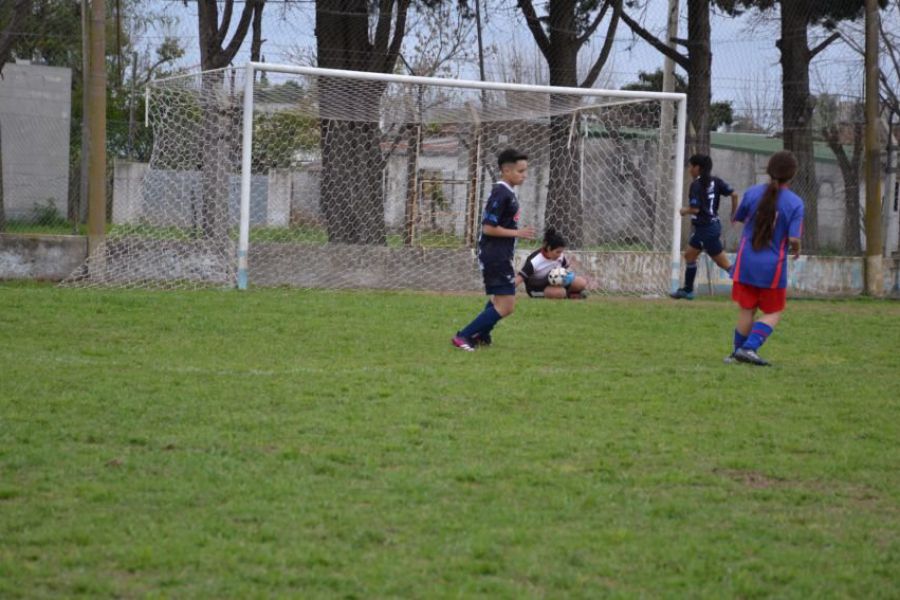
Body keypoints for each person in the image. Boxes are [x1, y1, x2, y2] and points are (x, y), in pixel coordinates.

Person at [451, 148, 535, 351]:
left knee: (498, 299)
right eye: (520, 171)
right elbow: (488, 228)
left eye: (525, 171)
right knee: (506, 305)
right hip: (494, 255)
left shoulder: (507, 192)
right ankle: (464, 336)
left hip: (500, 254)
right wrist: (518, 233)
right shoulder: (501, 193)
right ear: (506, 171)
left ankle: (481, 334)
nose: (524, 175)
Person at [727, 151, 804, 366]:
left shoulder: (752, 193)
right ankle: (749, 348)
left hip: (745, 262)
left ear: (769, 170)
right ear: (792, 175)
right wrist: (796, 248)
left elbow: (738, 218)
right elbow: (794, 237)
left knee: (746, 309)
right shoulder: (795, 203)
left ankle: (736, 353)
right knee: (773, 311)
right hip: (772, 268)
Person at [671, 154, 739, 300]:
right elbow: (734, 194)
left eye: (691, 166)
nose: (689, 169)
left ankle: (747, 284)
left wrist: (684, 210)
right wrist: (734, 214)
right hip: (711, 227)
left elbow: (695, 209)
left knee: (722, 263)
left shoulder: (696, 185)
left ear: (698, 168)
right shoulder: (716, 181)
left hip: (705, 229)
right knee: (690, 255)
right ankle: (687, 290)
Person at [516, 227, 588, 299]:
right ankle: (570, 295)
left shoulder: (561, 257)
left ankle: (570, 294)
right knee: (559, 293)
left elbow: (565, 270)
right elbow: (519, 278)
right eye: (557, 252)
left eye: (561, 251)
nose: (560, 255)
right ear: (549, 248)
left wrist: (568, 276)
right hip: (537, 288)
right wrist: (507, 291)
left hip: (557, 284)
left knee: (581, 282)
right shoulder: (534, 261)